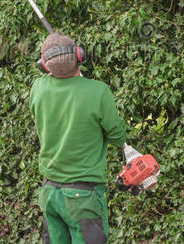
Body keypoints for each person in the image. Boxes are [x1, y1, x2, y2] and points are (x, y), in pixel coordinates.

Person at [30, 32, 127, 244]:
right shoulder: (98, 92)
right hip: (82, 197)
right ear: (79, 56)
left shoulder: (38, 88)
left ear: (44, 66)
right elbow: (118, 137)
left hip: (49, 194)